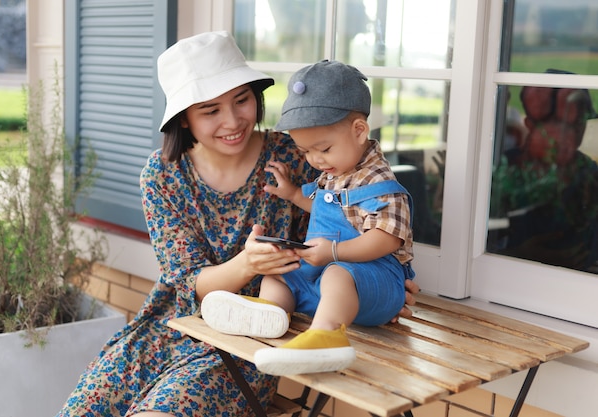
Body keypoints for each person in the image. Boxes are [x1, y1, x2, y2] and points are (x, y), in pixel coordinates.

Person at [56, 32, 419, 417]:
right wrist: (247, 264)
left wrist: (382, 282)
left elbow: (363, 201)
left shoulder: (295, 153)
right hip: (171, 323)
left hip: (247, 341)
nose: (233, 121)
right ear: (184, 119)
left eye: (242, 100)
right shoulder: (162, 176)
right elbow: (188, 281)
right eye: (211, 110)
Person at [201, 60, 415, 376]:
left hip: (375, 281)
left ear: (359, 131)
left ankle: (327, 336)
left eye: (323, 149)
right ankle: (271, 312)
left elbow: (386, 237)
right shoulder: (338, 171)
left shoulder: (379, 184)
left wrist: (334, 252)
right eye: (305, 153)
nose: (315, 160)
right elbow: (328, 208)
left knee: (337, 275)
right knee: (281, 273)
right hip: (327, 277)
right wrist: (291, 193)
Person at [489, 71, 598, 271]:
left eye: (579, 122)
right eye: (562, 123)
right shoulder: (500, 172)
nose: (572, 133)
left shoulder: (590, 173)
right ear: (530, 125)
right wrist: (519, 253)